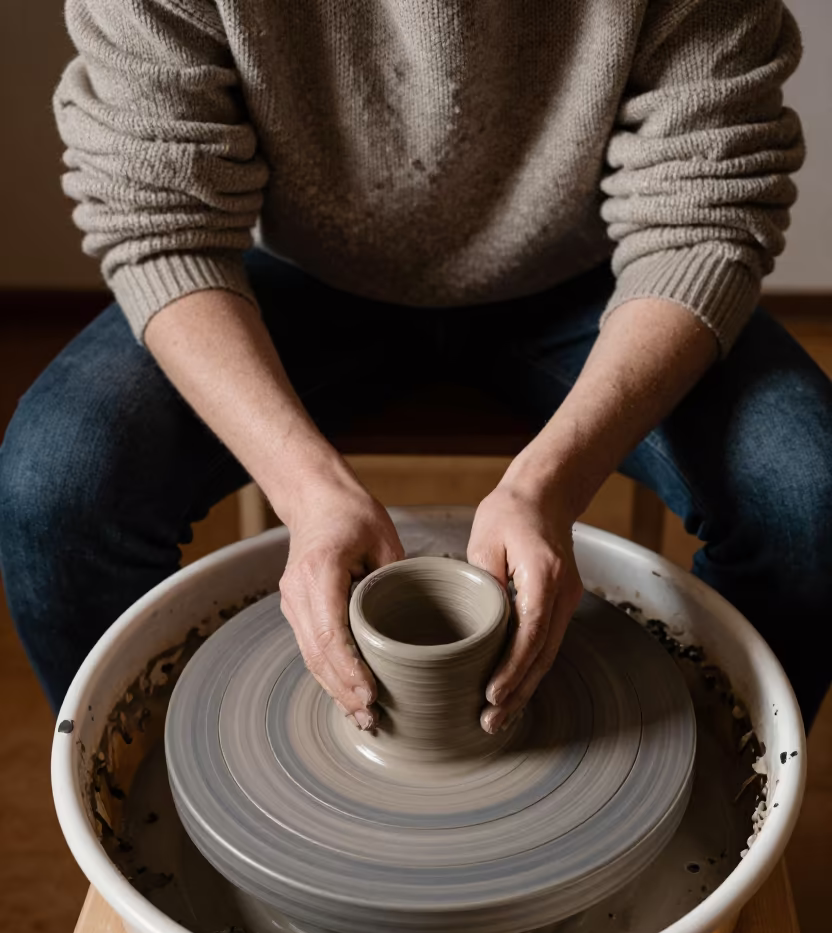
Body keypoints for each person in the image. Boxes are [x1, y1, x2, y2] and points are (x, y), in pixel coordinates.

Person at [1, 0, 831, 735]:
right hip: (308, 279)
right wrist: (307, 491)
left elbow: (703, 211)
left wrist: (553, 481)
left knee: (810, 491)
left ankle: (705, 796)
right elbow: (160, 219)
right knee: (54, 484)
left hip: (594, 282)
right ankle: (157, 794)